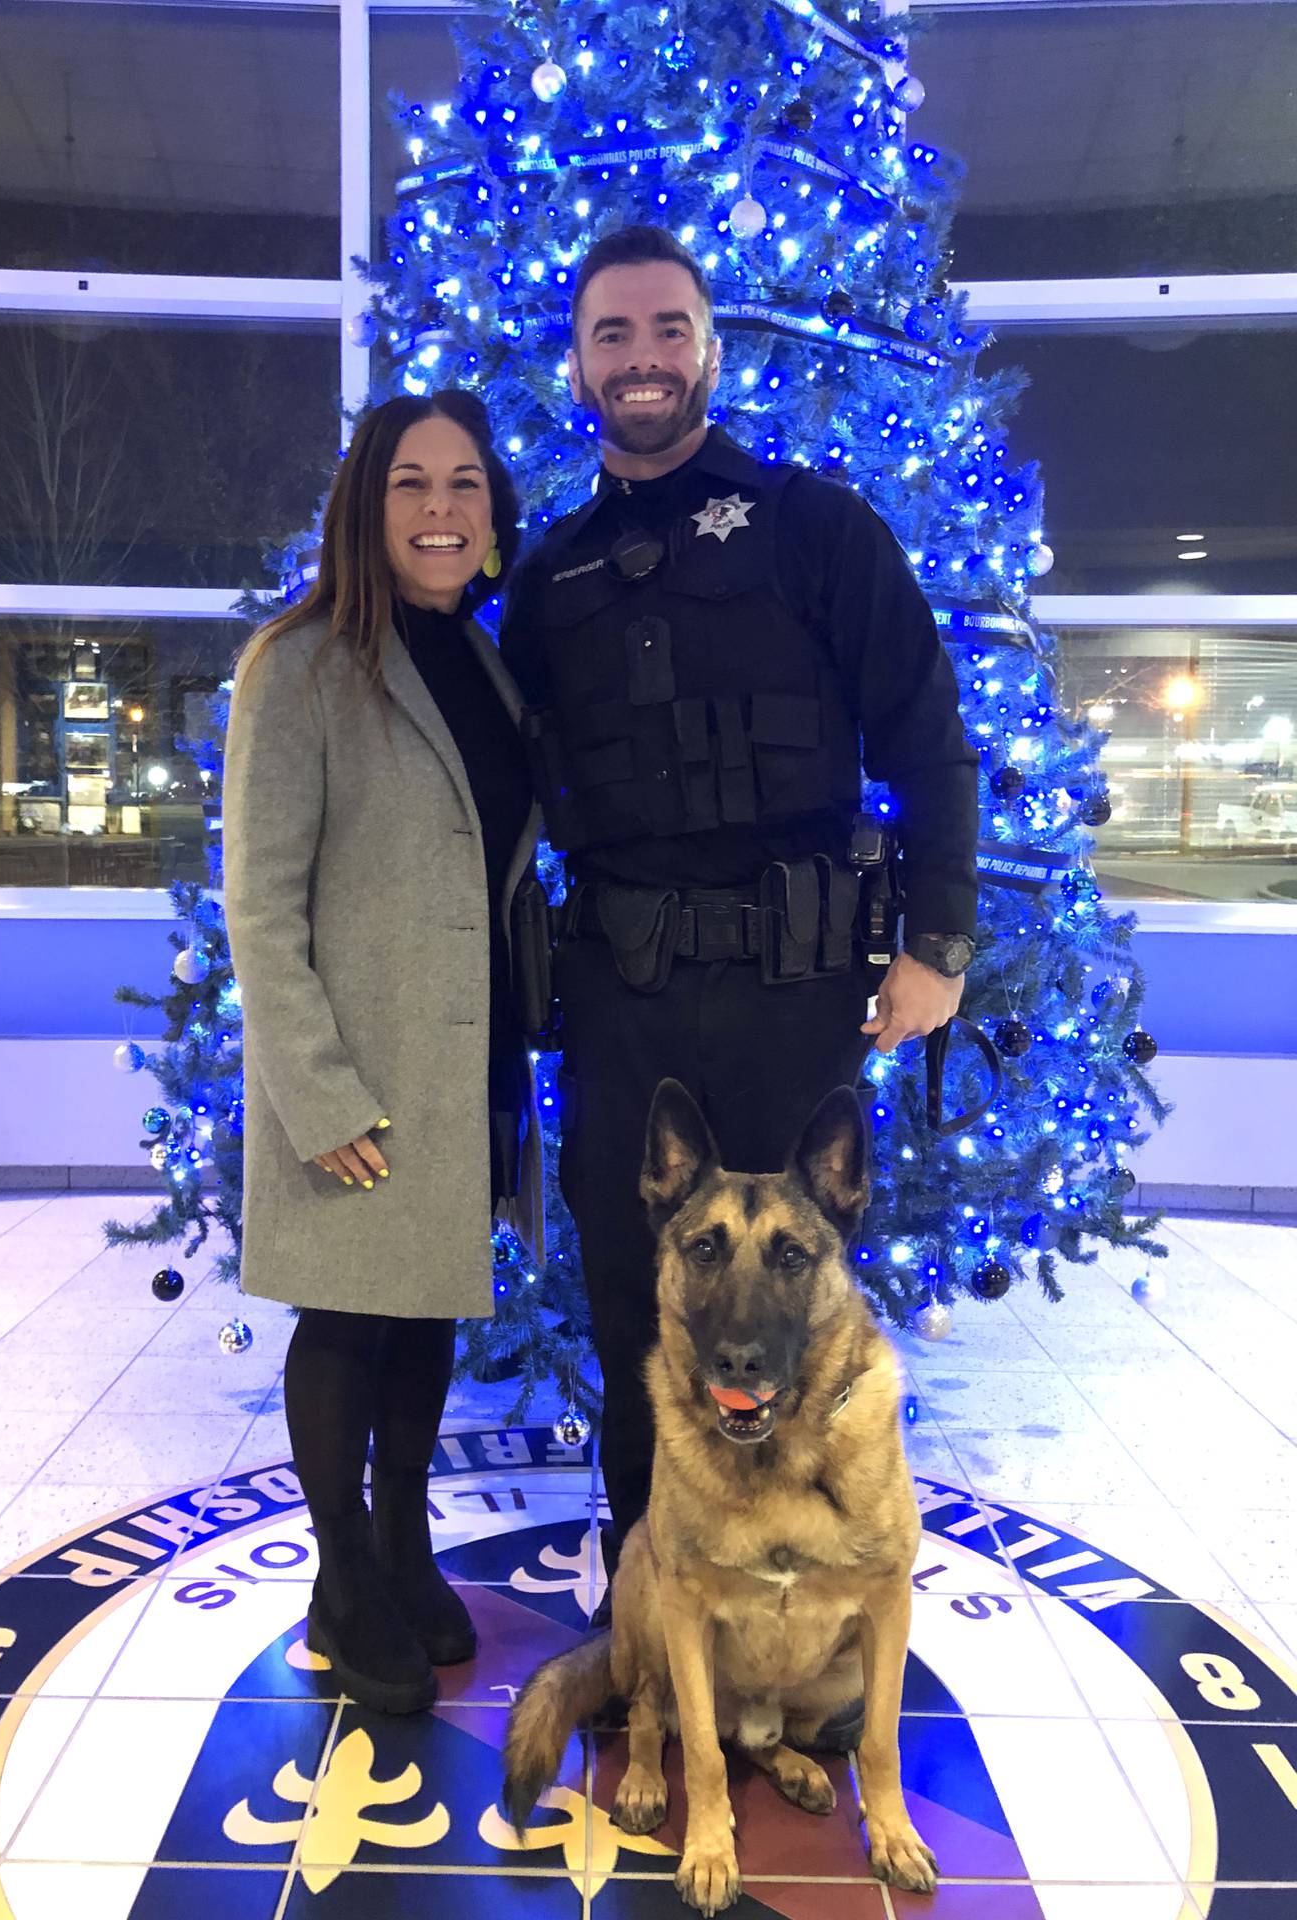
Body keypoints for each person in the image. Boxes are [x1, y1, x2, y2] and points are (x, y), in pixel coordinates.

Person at [500, 226, 979, 1643]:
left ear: (711, 349)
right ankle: (651, 1585)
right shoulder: (550, 576)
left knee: (789, 1315)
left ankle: (797, 1603)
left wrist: (939, 946)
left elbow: (928, 739)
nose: (642, 358)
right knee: (630, 1301)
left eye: (669, 328)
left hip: (791, 993)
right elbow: (493, 790)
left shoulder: (816, 529)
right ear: (577, 365)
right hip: (623, 1000)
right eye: (612, 334)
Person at [224, 391, 540, 1715]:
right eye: (411, 481)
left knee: (423, 1314)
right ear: (367, 504)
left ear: (492, 512)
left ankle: (405, 1549)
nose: (441, 508)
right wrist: (317, 1091)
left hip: (466, 1057)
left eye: (465, 482)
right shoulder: (298, 665)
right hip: (360, 1068)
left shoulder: (485, 662)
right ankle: (344, 1577)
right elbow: (260, 903)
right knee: (348, 1318)